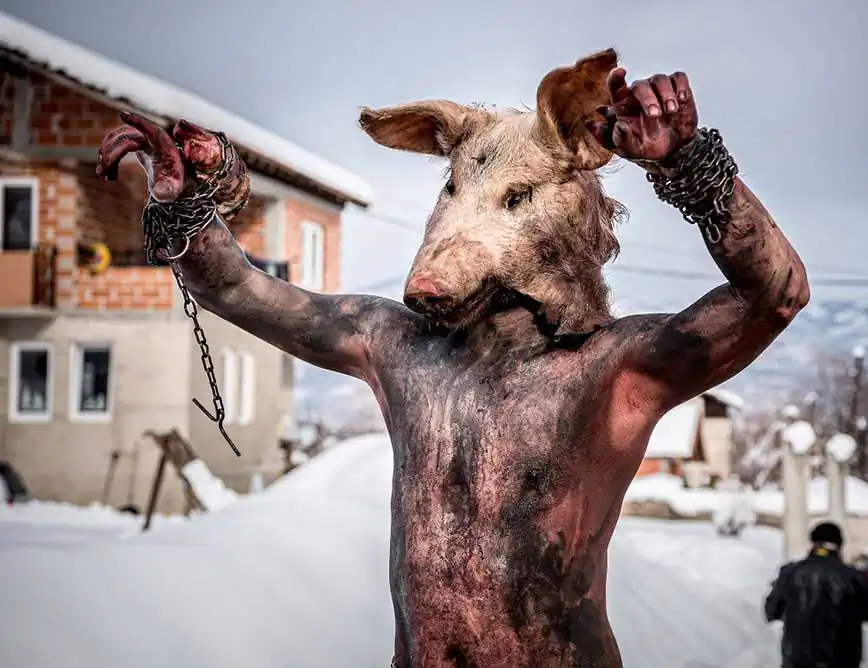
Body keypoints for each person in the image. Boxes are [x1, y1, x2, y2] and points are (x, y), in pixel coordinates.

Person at [98, 49, 811, 668]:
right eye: (453, 191)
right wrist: (186, 202)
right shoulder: (398, 346)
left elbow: (775, 295)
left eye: (513, 197)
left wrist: (689, 164)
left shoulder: (612, 371)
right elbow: (233, 287)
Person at [764, 522, 868, 668]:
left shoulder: (789, 574)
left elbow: (771, 611)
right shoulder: (853, 577)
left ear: (813, 543)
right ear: (839, 545)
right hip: (842, 661)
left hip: (798, 660)